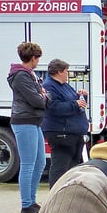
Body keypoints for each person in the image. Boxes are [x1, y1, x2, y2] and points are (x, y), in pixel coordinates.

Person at [7, 41, 49, 213]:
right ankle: (26, 203)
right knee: (28, 163)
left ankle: (32, 200)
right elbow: (37, 100)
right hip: (24, 120)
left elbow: (42, 95)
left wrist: (44, 96)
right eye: (37, 59)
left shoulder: (29, 75)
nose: (38, 62)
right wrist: (44, 97)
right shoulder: (22, 76)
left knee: (40, 162)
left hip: (34, 121)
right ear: (33, 58)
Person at [41, 59, 89, 188]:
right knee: (60, 165)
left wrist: (82, 97)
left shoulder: (64, 85)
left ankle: (68, 192)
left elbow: (76, 103)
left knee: (73, 166)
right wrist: (75, 103)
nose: (68, 74)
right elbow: (54, 107)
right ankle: (56, 193)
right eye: (66, 71)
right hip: (60, 133)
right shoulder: (49, 86)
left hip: (74, 132)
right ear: (58, 72)